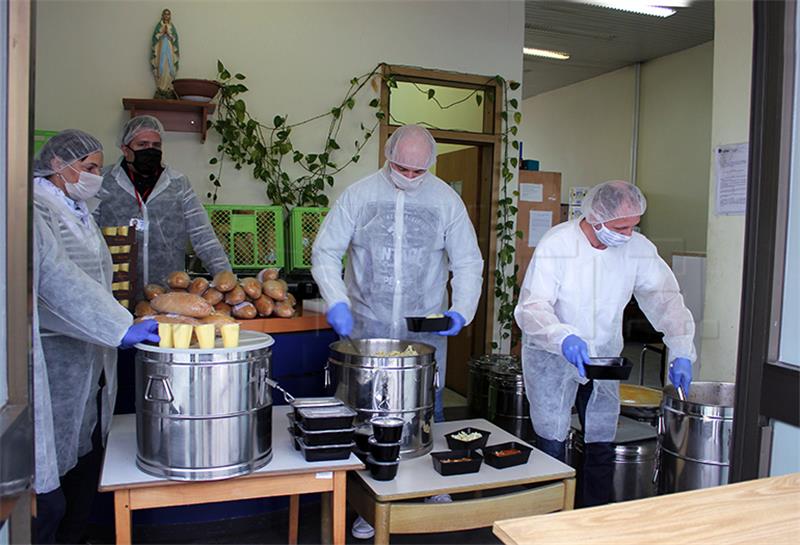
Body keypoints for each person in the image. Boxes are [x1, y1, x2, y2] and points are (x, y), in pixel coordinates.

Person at [312, 124, 483, 539]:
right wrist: (335, 299)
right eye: (401, 168)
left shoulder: (446, 201)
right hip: (367, 327)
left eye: (416, 170)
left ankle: (428, 490)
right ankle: (368, 504)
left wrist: (461, 311)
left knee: (427, 412)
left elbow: (467, 262)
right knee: (366, 418)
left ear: (430, 165)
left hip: (422, 331)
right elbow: (326, 249)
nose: (408, 176)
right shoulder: (359, 195)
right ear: (388, 158)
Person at [514, 180, 695, 508]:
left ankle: (592, 519)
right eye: (620, 227)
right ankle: (545, 519)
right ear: (596, 219)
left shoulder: (636, 248)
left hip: (604, 356)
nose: (627, 234)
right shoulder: (558, 244)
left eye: (633, 226)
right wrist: (562, 337)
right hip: (554, 357)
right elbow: (532, 306)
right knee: (552, 442)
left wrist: (681, 347)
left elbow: (664, 297)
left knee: (601, 441)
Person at [30, 130, 159, 544]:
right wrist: (118, 326)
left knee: (83, 454)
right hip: (55, 355)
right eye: (87, 168)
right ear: (56, 164)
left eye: (98, 169)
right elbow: (56, 280)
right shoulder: (37, 211)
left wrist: (112, 323)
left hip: (89, 351)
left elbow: (96, 278)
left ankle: (74, 535)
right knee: (48, 469)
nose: (94, 177)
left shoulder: (79, 210)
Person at [94, 115, 231, 301]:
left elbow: (203, 235)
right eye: (142, 145)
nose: (150, 150)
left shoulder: (177, 184)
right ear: (125, 149)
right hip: (115, 291)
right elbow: (86, 233)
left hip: (168, 293)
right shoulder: (103, 181)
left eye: (155, 145)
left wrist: (226, 278)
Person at [151, 8, 179, 98]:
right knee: (161, 66)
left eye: (168, 14)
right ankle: (161, 86)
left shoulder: (172, 27)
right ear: (162, 16)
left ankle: (168, 86)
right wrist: (163, 33)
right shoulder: (159, 26)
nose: (166, 16)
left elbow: (175, 40)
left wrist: (169, 34)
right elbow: (155, 38)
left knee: (169, 66)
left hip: (169, 49)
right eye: (165, 14)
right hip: (161, 48)